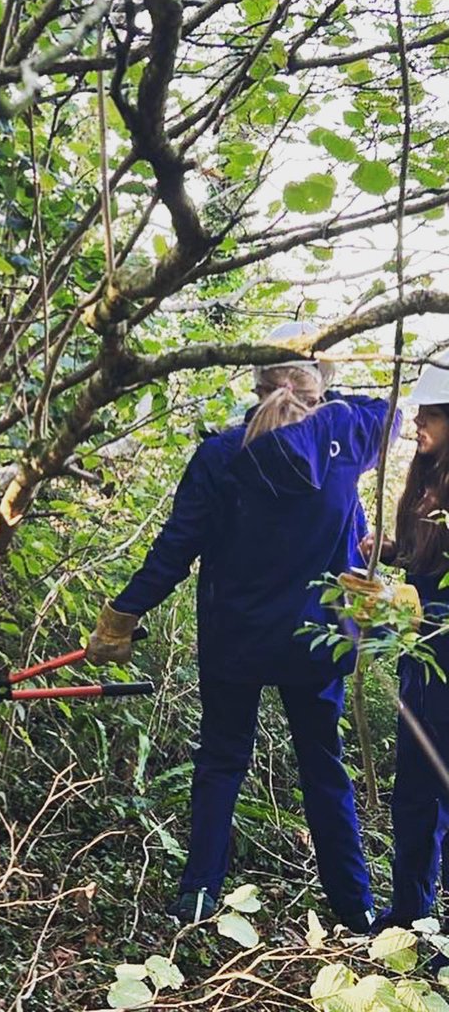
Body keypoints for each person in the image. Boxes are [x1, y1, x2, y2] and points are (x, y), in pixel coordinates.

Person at [86, 321, 395, 930]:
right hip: (315, 642)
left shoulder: (222, 455)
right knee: (323, 766)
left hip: (236, 641)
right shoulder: (344, 439)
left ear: (257, 384)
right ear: (318, 384)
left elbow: (175, 550)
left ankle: (199, 896)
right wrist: (325, 387)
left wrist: (122, 616)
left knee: (222, 760)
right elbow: (386, 411)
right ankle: (356, 907)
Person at [359, 349, 449, 932]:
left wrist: (417, 607)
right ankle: (412, 916)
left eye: (430, 414)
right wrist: (388, 553)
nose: (416, 423)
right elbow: (425, 565)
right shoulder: (423, 485)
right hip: (419, 667)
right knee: (414, 794)